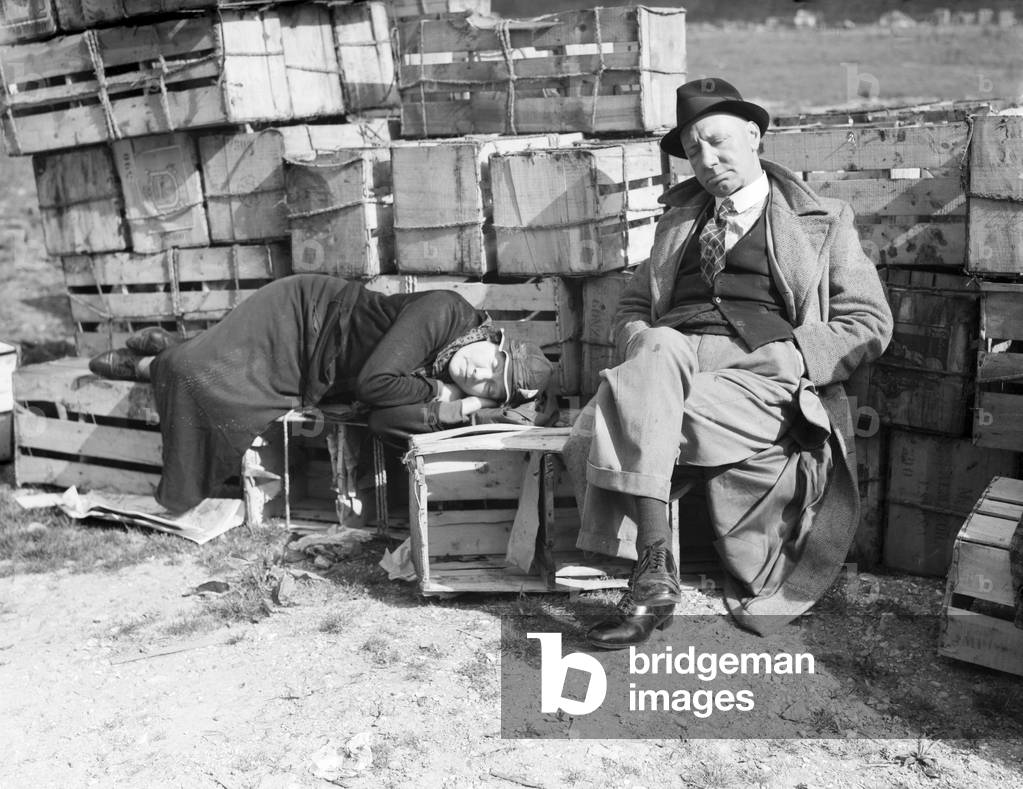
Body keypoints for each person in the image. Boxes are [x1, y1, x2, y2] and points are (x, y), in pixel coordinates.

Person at [563, 77, 893, 648]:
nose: (707, 160)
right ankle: (655, 569)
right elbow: (633, 309)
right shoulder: (678, 223)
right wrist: (643, 340)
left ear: (754, 135)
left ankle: (648, 568)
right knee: (659, 347)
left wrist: (795, 354)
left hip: (759, 381)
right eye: (693, 151)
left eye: (718, 142)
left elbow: (869, 321)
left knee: (606, 423)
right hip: (669, 368)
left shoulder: (822, 220)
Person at [89, 274, 555, 513]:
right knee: (191, 373)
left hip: (317, 376)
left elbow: (381, 421)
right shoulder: (445, 311)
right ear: (493, 340)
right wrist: (440, 389)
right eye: (494, 364)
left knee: (227, 393)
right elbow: (377, 386)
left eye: (491, 388)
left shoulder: (464, 392)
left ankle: (165, 350)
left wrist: (462, 411)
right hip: (304, 317)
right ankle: (152, 363)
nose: (479, 375)